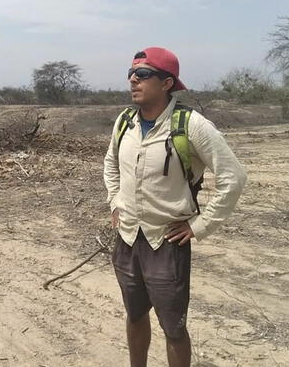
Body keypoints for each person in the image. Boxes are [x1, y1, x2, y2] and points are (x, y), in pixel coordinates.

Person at [103, 47, 246, 367]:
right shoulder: (124, 122)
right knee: (135, 313)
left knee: (174, 328)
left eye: (142, 75)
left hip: (166, 241)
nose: (133, 81)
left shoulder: (191, 125)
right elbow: (110, 164)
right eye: (130, 74)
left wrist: (200, 226)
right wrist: (115, 202)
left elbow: (233, 177)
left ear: (167, 83)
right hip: (127, 237)